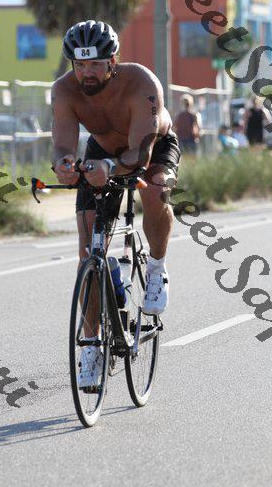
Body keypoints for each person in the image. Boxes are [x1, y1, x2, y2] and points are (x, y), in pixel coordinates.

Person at [51, 20, 180, 388]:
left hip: (151, 146)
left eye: (95, 64)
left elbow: (141, 154)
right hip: (102, 151)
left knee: (154, 188)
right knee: (87, 251)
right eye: (80, 65)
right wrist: (64, 165)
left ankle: (156, 268)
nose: (86, 73)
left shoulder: (141, 83)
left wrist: (109, 167)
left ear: (112, 61)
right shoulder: (64, 90)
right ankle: (91, 343)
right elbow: (62, 145)